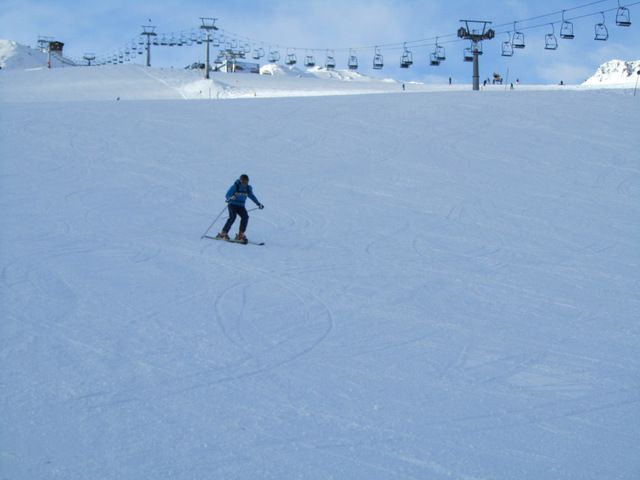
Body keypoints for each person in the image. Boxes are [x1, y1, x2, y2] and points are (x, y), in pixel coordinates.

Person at [216, 174, 263, 243]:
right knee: (232, 217)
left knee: (245, 217)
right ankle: (223, 234)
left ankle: (240, 235)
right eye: (243, 182)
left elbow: (252, 196)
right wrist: (230, 198)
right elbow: (227, 195)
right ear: (240, 181)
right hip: (232, 204)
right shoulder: (235, 186)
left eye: (246, 182)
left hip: (241, 206)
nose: (244, 184)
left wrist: (258, 203)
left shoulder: (248, 188)